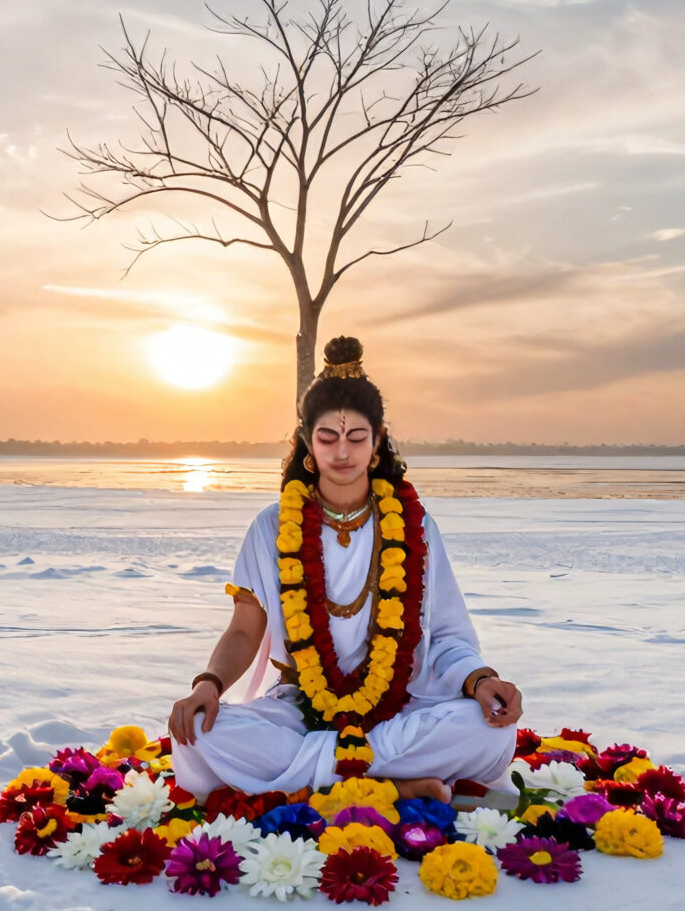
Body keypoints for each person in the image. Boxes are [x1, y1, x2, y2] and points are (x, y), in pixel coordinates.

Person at [167, 336, 524, 806]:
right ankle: (395, 785)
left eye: (356, 438)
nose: (342, 453)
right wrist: (208, 684)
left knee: (490, 730)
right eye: (327, 438)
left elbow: (445, 632)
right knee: (197, 732)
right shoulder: (272, 527)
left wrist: (480, 681)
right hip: (304, 708)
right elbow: (243, 630)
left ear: (376, 446)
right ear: (307, 447)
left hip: (403, 701)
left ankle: (321, 780)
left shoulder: (414, 525)